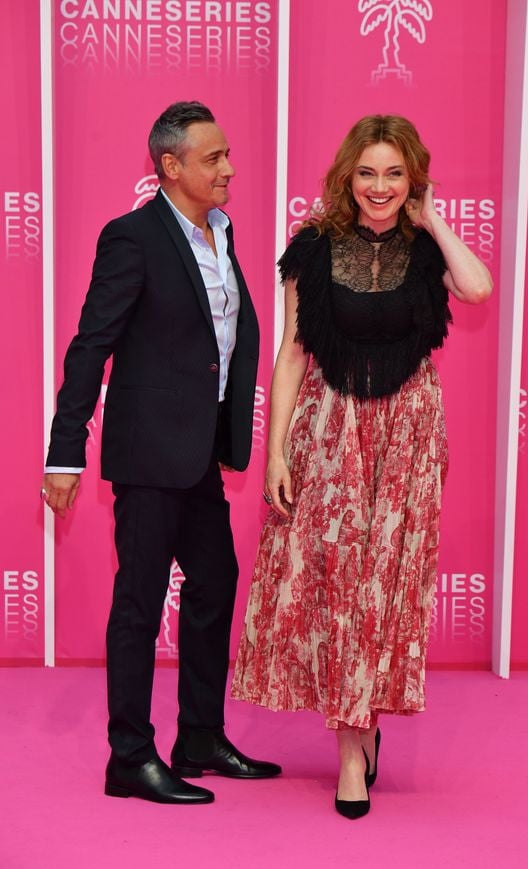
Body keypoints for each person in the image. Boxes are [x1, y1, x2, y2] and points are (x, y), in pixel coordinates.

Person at [231, 115, 492, 819]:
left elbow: (478, 288)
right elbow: (290, 353)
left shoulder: (425, 244)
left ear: (413, 180)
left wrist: (433, 221)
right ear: (348, 175)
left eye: (395, 174)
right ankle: (351, 750)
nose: (380, 187)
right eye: (368, 172)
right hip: (331, 431)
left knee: (387, 587)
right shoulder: (313, 248)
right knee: (343, 585)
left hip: (408, 434)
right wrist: (278, 447)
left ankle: (365, 723)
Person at [42, 101, 281, 805]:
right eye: (213, 158)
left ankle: (201, 736)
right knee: (139, 604)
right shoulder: (133, 237)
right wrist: (64, 452)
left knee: (214, 583)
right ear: (170, 167)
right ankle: (130, 757)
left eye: (229, 154)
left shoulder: (221, 235)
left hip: (201, 454)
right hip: (148, 454)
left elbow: (216, 343)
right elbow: (92, 344)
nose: (229, 168)